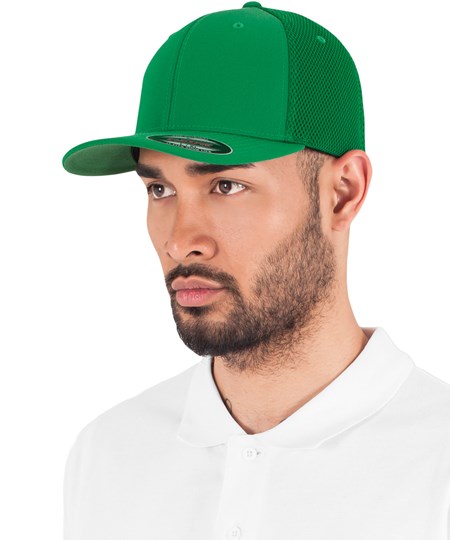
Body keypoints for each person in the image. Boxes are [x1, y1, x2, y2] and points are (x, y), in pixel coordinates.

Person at [62, 3, 450, 539]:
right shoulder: (109, 455)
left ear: (343, 193)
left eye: (226, 186)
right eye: (160, 189)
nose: (180, 241)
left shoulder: (436, 463)